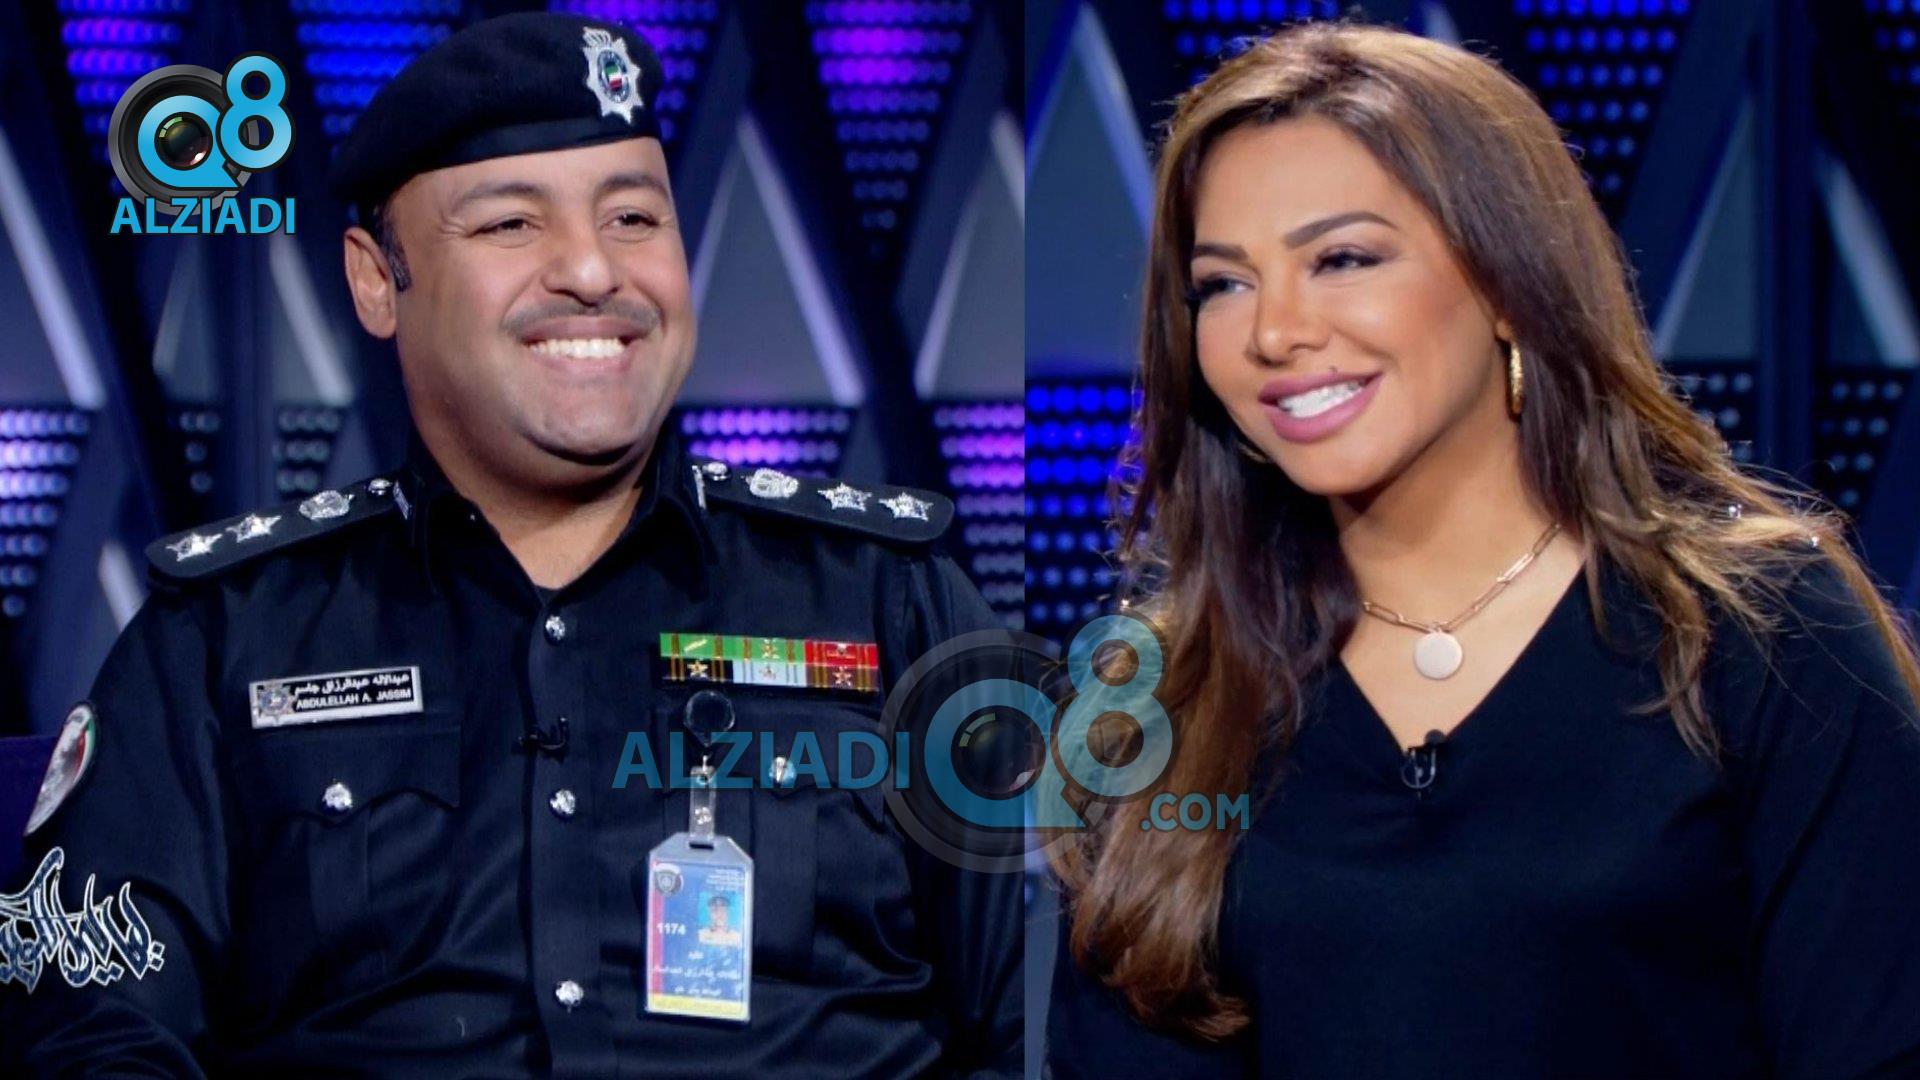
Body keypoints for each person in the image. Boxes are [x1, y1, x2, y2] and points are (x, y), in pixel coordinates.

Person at [1, 13, 1021, 1077]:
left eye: (634, 217)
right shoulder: (224, 634)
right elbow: (90, 1030)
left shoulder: (893, 601)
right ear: (375, 280)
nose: (590, 268)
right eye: (511, 224)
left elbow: (1043, 1010)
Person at [1046, 22, 1920, 1080]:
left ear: (1507, 281)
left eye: (1342, 259)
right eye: (1222, 284)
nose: (1273, 332)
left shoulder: (1763, 631)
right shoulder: (1160, 692)